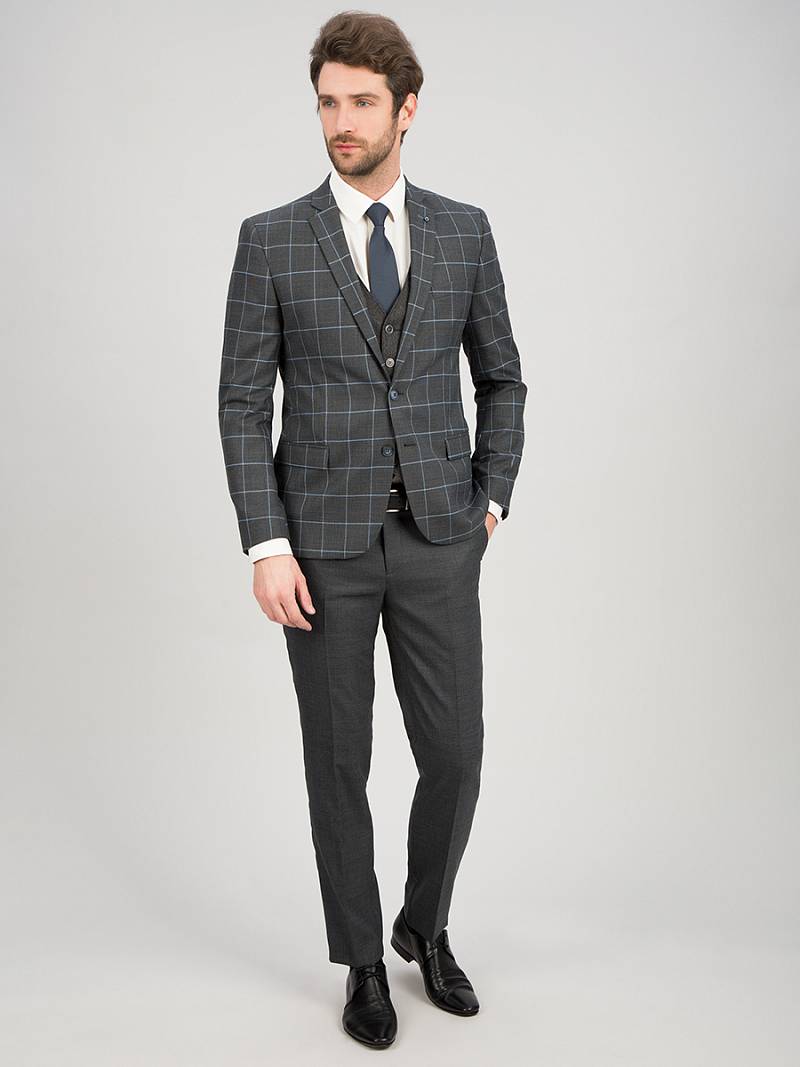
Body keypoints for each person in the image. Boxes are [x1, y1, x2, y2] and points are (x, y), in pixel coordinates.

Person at [218, 10, 527, 1049]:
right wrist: (266, 544)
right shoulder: (270, 239)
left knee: (455, 752)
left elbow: (502, 378)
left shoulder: (462, 230)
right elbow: (240, 402)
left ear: (407, 109)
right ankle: (360, 959)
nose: (340, 122)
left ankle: (423, 925)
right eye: (326, 102)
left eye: (360, 102)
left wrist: (489, 498)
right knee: (337, 760)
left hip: (439, 535)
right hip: (321, 548)